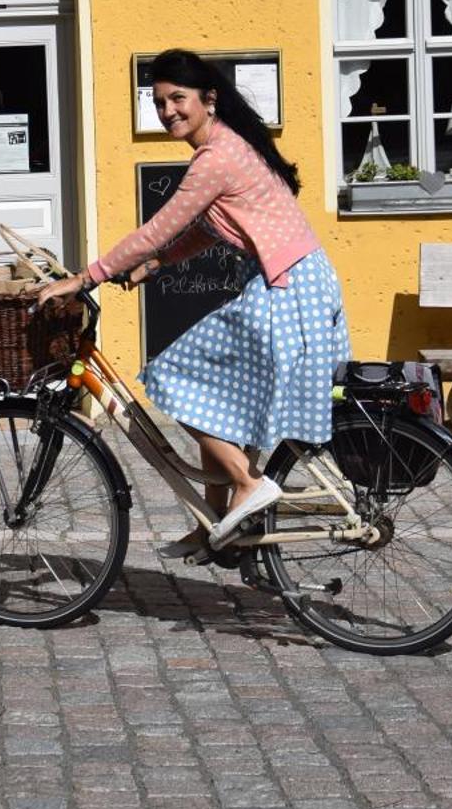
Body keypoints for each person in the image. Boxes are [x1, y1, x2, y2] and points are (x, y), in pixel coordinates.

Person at [36, 49, 350, 555]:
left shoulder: (216, 157)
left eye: (177, 99)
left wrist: (86, 277)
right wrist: (155, 265)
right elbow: (207, 230)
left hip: (289, 290)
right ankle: (216, 525)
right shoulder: (226, 146)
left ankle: (248, 488)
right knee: (219, 400)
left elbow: (160, 227)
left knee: (174, 376)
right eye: (159, 102)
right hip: (296, 284)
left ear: (208, 99)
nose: (167, 112)